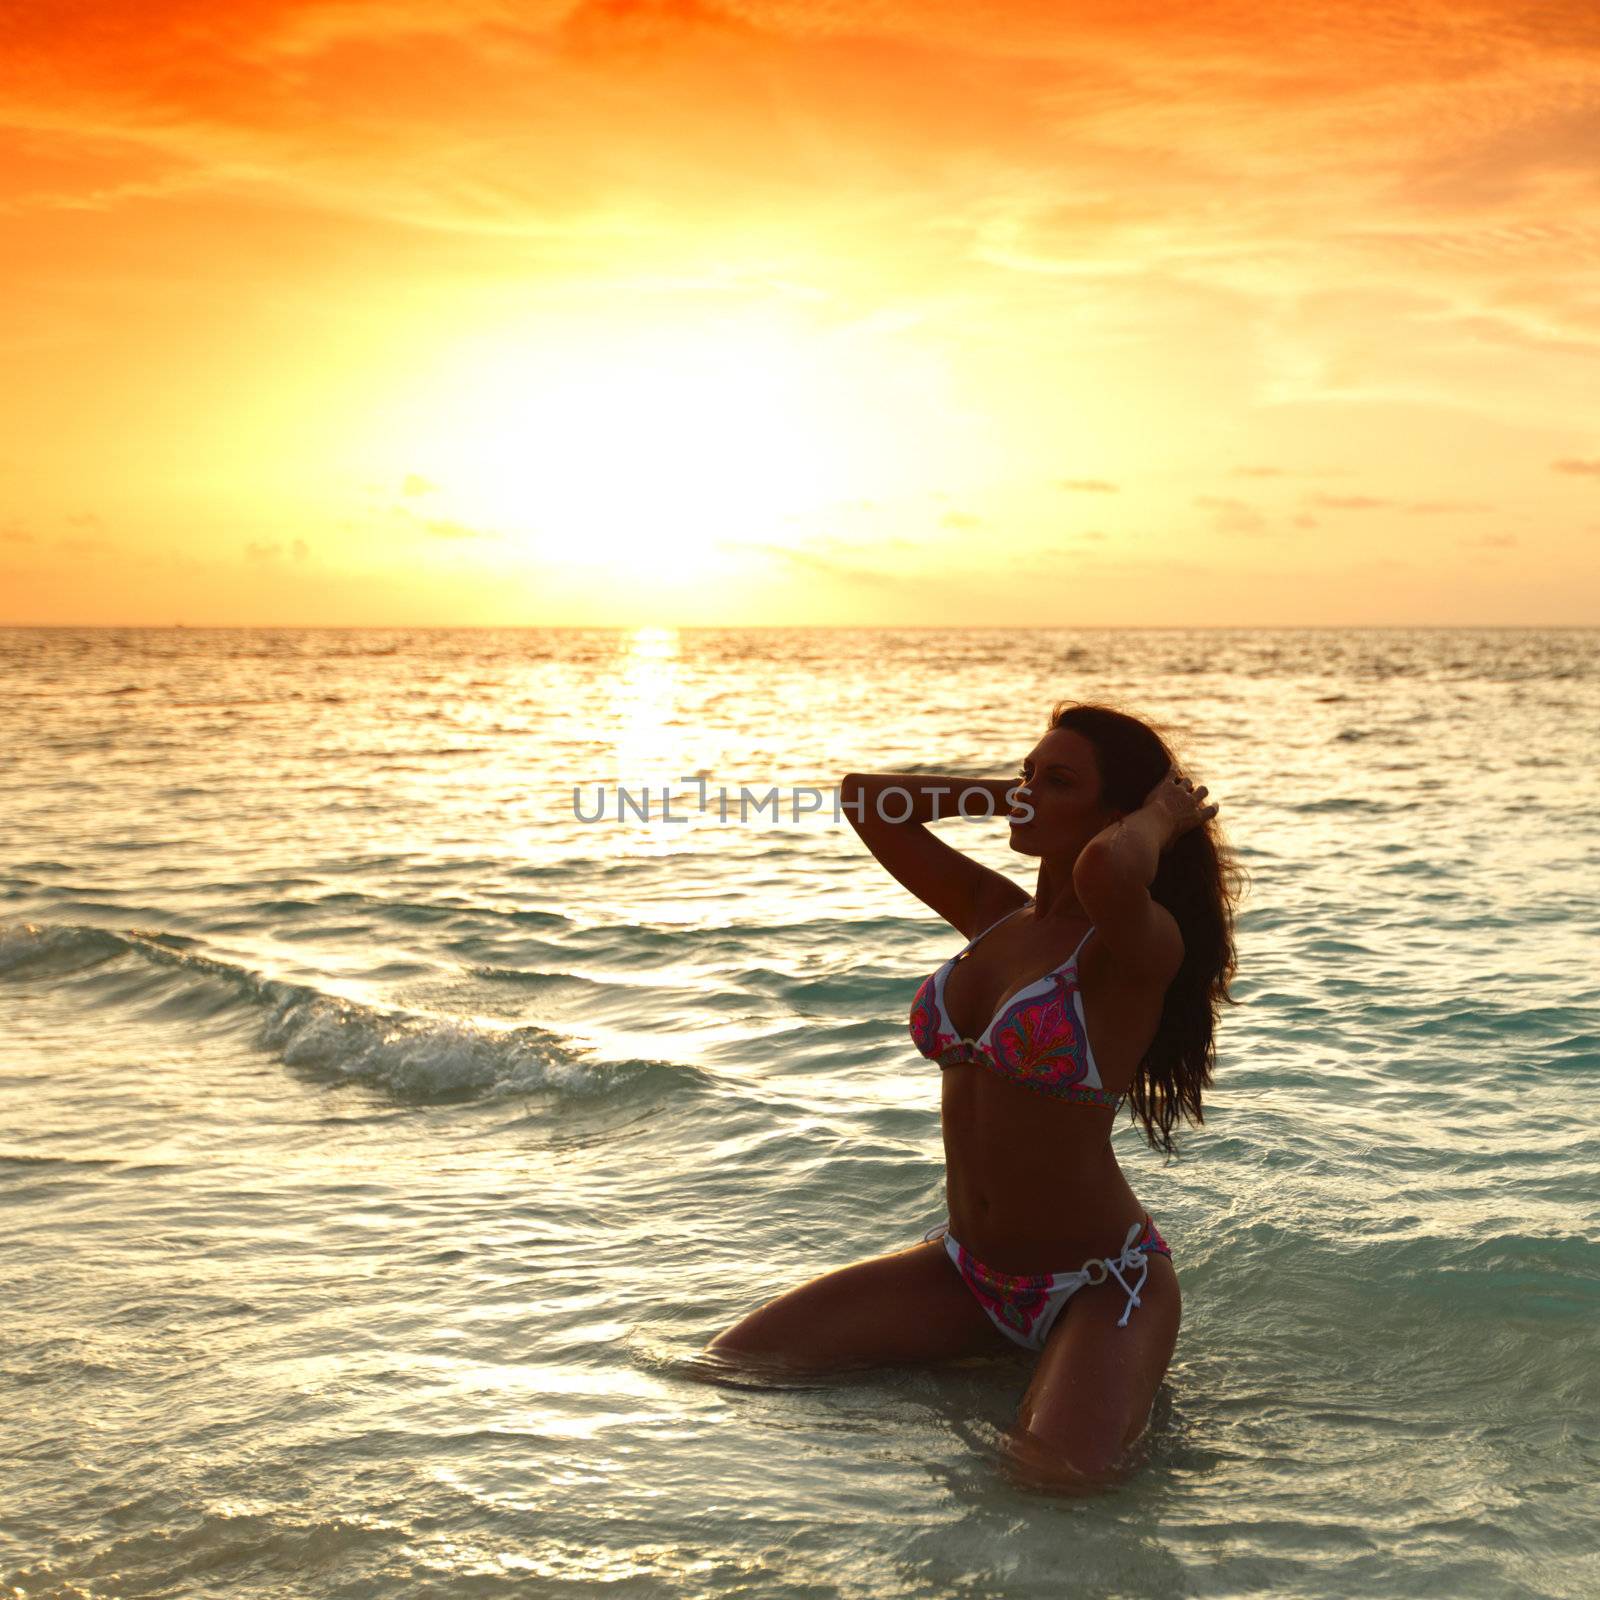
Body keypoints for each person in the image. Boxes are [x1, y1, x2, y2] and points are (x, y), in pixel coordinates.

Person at [701, 701, 1241, 1493]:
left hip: (1100, 1286)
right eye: (1028, 772)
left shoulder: (1137, 948)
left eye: (1057, 781)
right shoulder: (996, 918)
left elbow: (1108, 871)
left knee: (1050, 1492)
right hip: (965, 1270)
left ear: (1115, 814)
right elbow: (865, 800)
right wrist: (1008, 793)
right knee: (731, 1372)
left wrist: (1162, 815)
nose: (1029, 791)